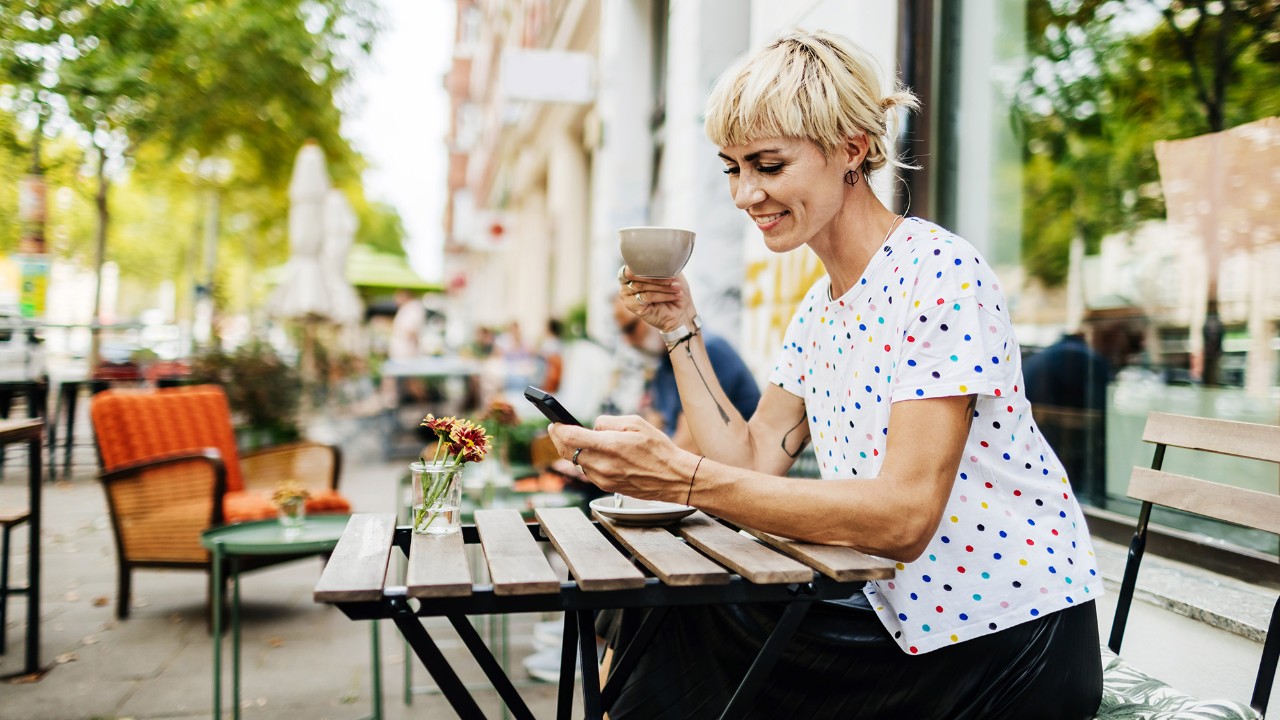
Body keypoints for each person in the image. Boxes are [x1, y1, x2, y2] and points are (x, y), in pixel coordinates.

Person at [548, 30, 1103, 719]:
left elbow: (904, 519)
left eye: (769, 164)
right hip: (888, 613)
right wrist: (680, 331)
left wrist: (678, 476)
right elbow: (753, 458)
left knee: (680, 630)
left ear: (851, 148)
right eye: (731, 168)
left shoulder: (941, 275)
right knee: (660, 611)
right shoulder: (822, 306)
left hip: (1002, 638)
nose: (746, 193)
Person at [613, 294, 760, 452]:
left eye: (630, 328)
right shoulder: (664, 364)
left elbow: (689, 447)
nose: (627, 341)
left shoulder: (705, 351)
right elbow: (654, 428)